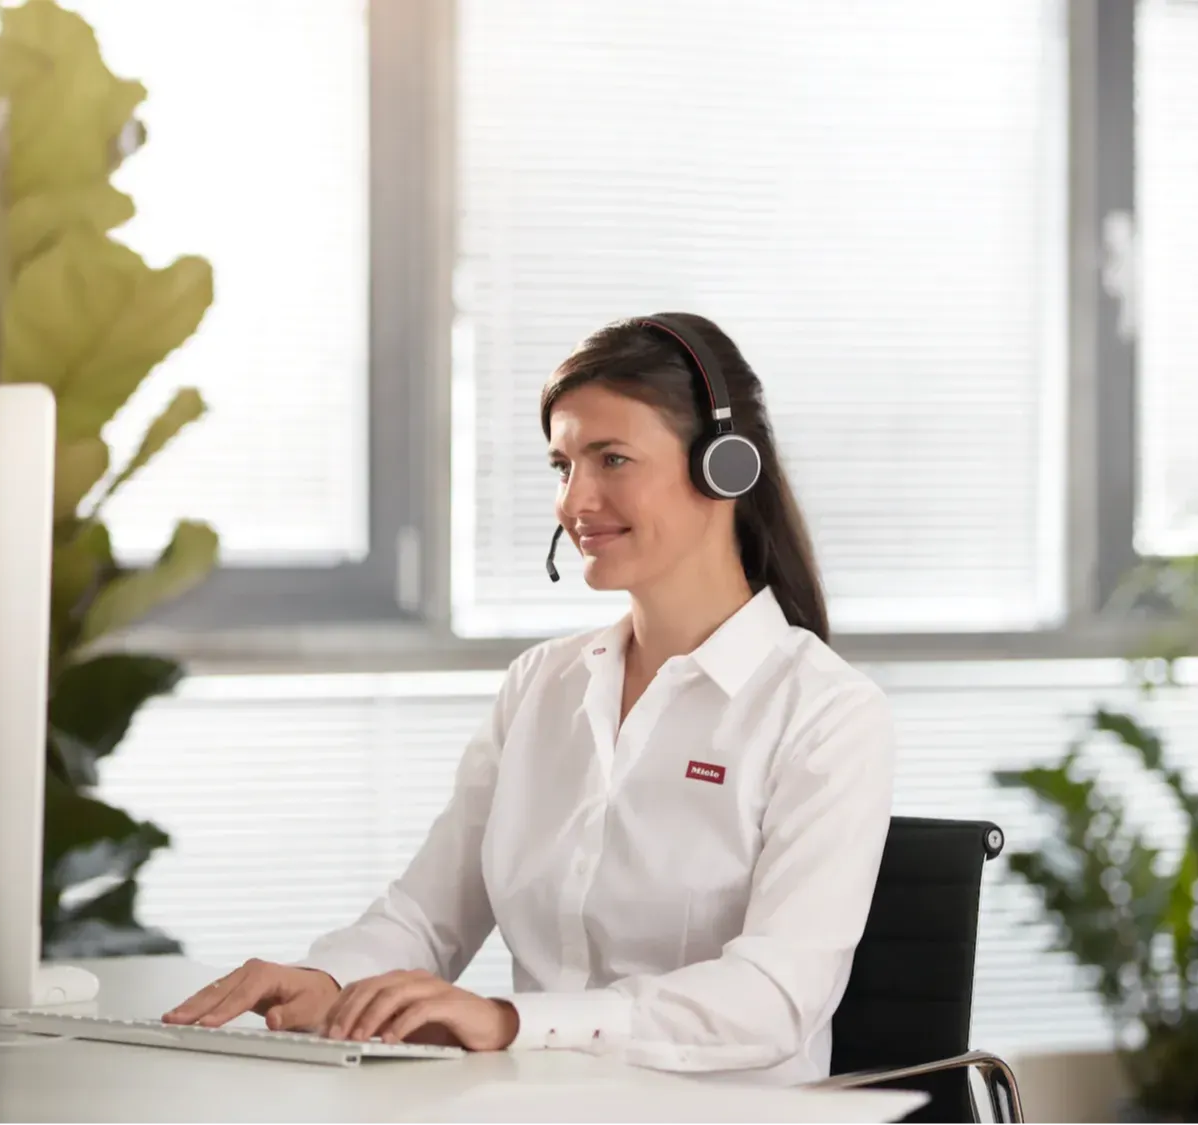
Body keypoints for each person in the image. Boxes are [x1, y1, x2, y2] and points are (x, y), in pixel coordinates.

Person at [164, 313, 896, 1081]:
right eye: (561, 465)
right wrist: (327, 979)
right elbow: (427, 914)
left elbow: (775, 997)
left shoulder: (824, 713)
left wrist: (512, 1022)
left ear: (724, 467)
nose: (575, 500)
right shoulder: (542, 684)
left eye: (611, 458)